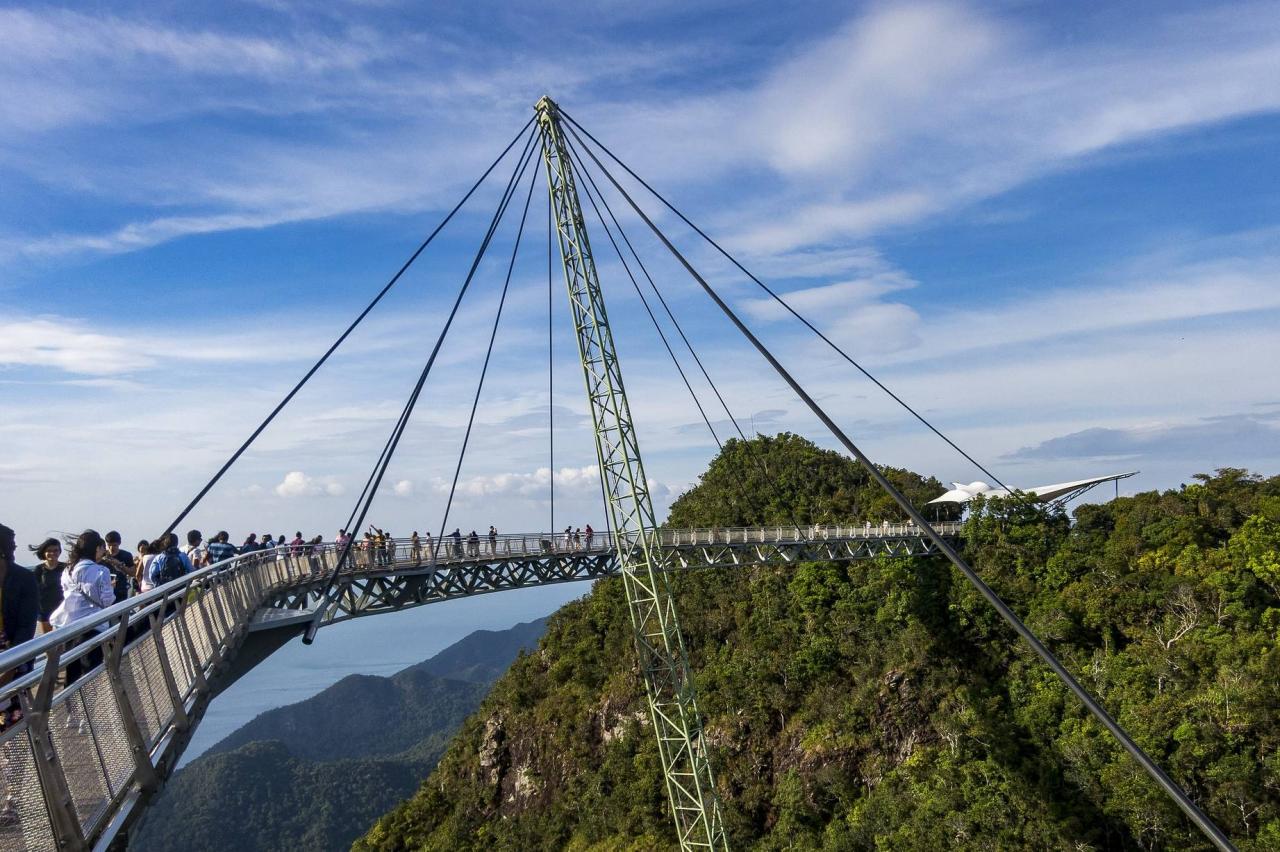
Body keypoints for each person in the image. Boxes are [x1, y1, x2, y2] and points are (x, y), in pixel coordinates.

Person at [51, 529, 116, 686]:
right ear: (96, 548)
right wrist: (112, 588)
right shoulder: (101, 571)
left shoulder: (67, 570)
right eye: (101, 548)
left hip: (70, 626)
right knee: (89, 675)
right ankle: (85, 709)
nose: (103, 552)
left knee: (72, 673)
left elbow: (67, 593)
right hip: (93, 627)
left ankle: (72, 708)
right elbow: (107, 601)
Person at [0, 523, 38, 747]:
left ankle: (17, 765)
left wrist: (11, 666)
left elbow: (26, 626)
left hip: (13, 656)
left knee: (15, 719)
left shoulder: (23, 578)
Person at [30, 537, 65, 634]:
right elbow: (33, 590)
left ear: (60, 551)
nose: (52, 553)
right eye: (49, 551)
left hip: (62, 608)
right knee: (48, 641)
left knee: (62, 641)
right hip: (44, 609)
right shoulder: (39, 570)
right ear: (44, 552)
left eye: (55, 550)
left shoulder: (65, 568)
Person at [103, 531, 134, 601]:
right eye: (109, 545)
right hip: (106, 591)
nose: (111, 548)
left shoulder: (126, 555)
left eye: (114, 545)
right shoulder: (102, 555)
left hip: (121, 591)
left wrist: (119, 564)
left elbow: (132, 573)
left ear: (119, 543)